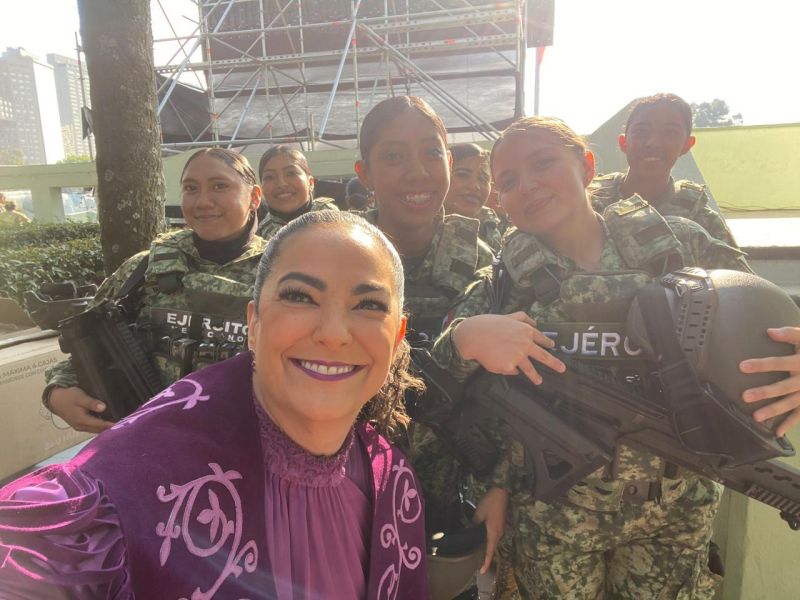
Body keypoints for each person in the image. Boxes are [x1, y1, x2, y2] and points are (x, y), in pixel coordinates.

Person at [430, 116, 800, 599]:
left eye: (543, 163)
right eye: (508, 181)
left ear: (587, 165)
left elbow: (762, 317)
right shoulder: (502, 279)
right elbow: (445, 379)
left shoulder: (677, 243)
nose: (529, 185)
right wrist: (466, 337)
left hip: (676, 508)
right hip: (553, 514)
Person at [0, 211, 429, 598]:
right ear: (253, 323)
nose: (334, 333)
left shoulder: (391, 481)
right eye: (299, 296)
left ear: (396, 335)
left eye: (369, 305)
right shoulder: (119, 488)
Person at [353, 96, 502, 583]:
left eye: (431, 153)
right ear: (365, 172)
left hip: (451, 498)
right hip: (343, 489)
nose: (417, 172)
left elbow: (519, 392)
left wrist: (501, 483)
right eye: (393, 156)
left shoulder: (490, 266)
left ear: (449, 161)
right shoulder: (331, 254)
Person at [43, 148, 268, 433]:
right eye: (190, 188)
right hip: (149, 444)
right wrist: (58, 391)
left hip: (252, 450)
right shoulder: (143, 270)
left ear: (255, 197)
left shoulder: (285, 272)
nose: (203, 201)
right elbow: (86, 346)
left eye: (219, 186)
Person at [590, 92, 739, 247]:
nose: (653, 143)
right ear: (623, 142)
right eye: (641, 131)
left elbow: (733, 271)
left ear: (687, 145)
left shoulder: (702, 220)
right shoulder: (590, 204)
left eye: (670, 133)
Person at [256, 144, 338, 239]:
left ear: (310, 182)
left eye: (291, 173)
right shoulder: (262, 234)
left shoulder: (331, 217)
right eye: (270, 177)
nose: (281, 184)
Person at [444, 143, 503, 251]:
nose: (474, 186)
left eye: (483, 179)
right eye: (462, 175)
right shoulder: (418, 229)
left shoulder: (490, 227)